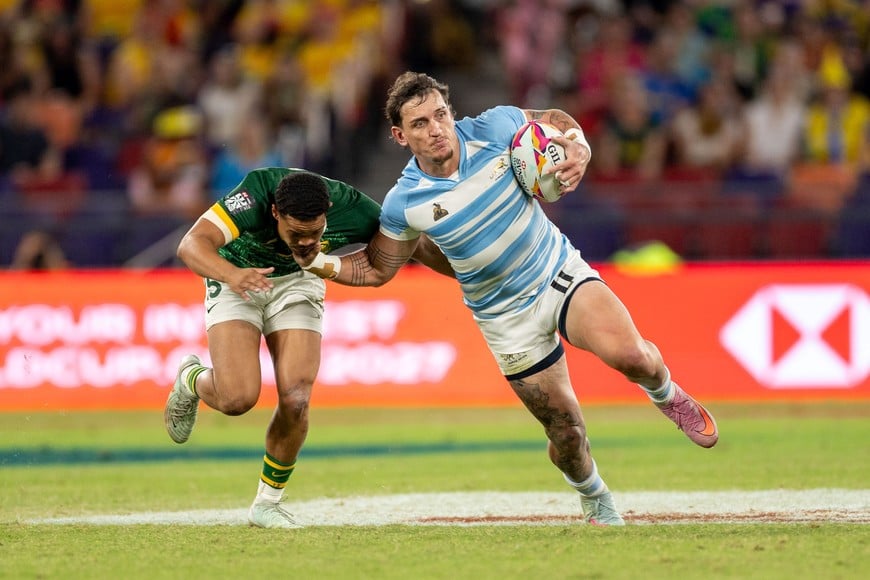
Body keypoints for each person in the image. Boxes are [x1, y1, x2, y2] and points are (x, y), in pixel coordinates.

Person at [298, 71, 719, 526]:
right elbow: (377, 267)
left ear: (451, 112)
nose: (435, 128)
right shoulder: (405, 202)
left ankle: (667, 395)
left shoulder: (496, 128)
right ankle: (594, 495)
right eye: (419, 123)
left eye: (440, 114)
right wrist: (315, 262)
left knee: (632, 355)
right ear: (400, 135)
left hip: (555, 271)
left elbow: (554, 118)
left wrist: (579, 145)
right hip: (504, 319)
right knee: (567, 435)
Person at [164, 168, 451, 528]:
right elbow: (191, 245)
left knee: (297, 398)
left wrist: (470, 275)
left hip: (300, 281)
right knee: (237, 399)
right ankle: (192, 379)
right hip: (237, 273)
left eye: (315, 233)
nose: (304, 242)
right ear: (275, 214)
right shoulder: (255, 194)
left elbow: (415, 244)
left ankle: (267, 503)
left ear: (327, 212)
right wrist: (232, 274)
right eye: (296, 233)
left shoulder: (351, 206)